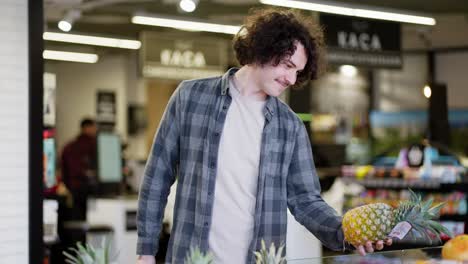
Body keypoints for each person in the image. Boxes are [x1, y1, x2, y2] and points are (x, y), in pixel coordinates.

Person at [137, 8, 391, 264]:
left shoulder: (289, 126)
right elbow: (157, 176)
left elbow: (305, 200)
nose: (292, 79)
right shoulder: (191, 98)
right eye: (288, 66)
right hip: (191, 257)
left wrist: (345, 232)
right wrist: (146, 251)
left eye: (298, 72)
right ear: (263, 49)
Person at [61, 118, 98, 221]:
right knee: (92, 219)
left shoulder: (69, 146)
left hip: (74, 189)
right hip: (89, 189)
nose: (95, 130)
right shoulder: (94, 145)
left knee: (77, 219)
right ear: (87, 128)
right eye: (93, 128)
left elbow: (64, 171)